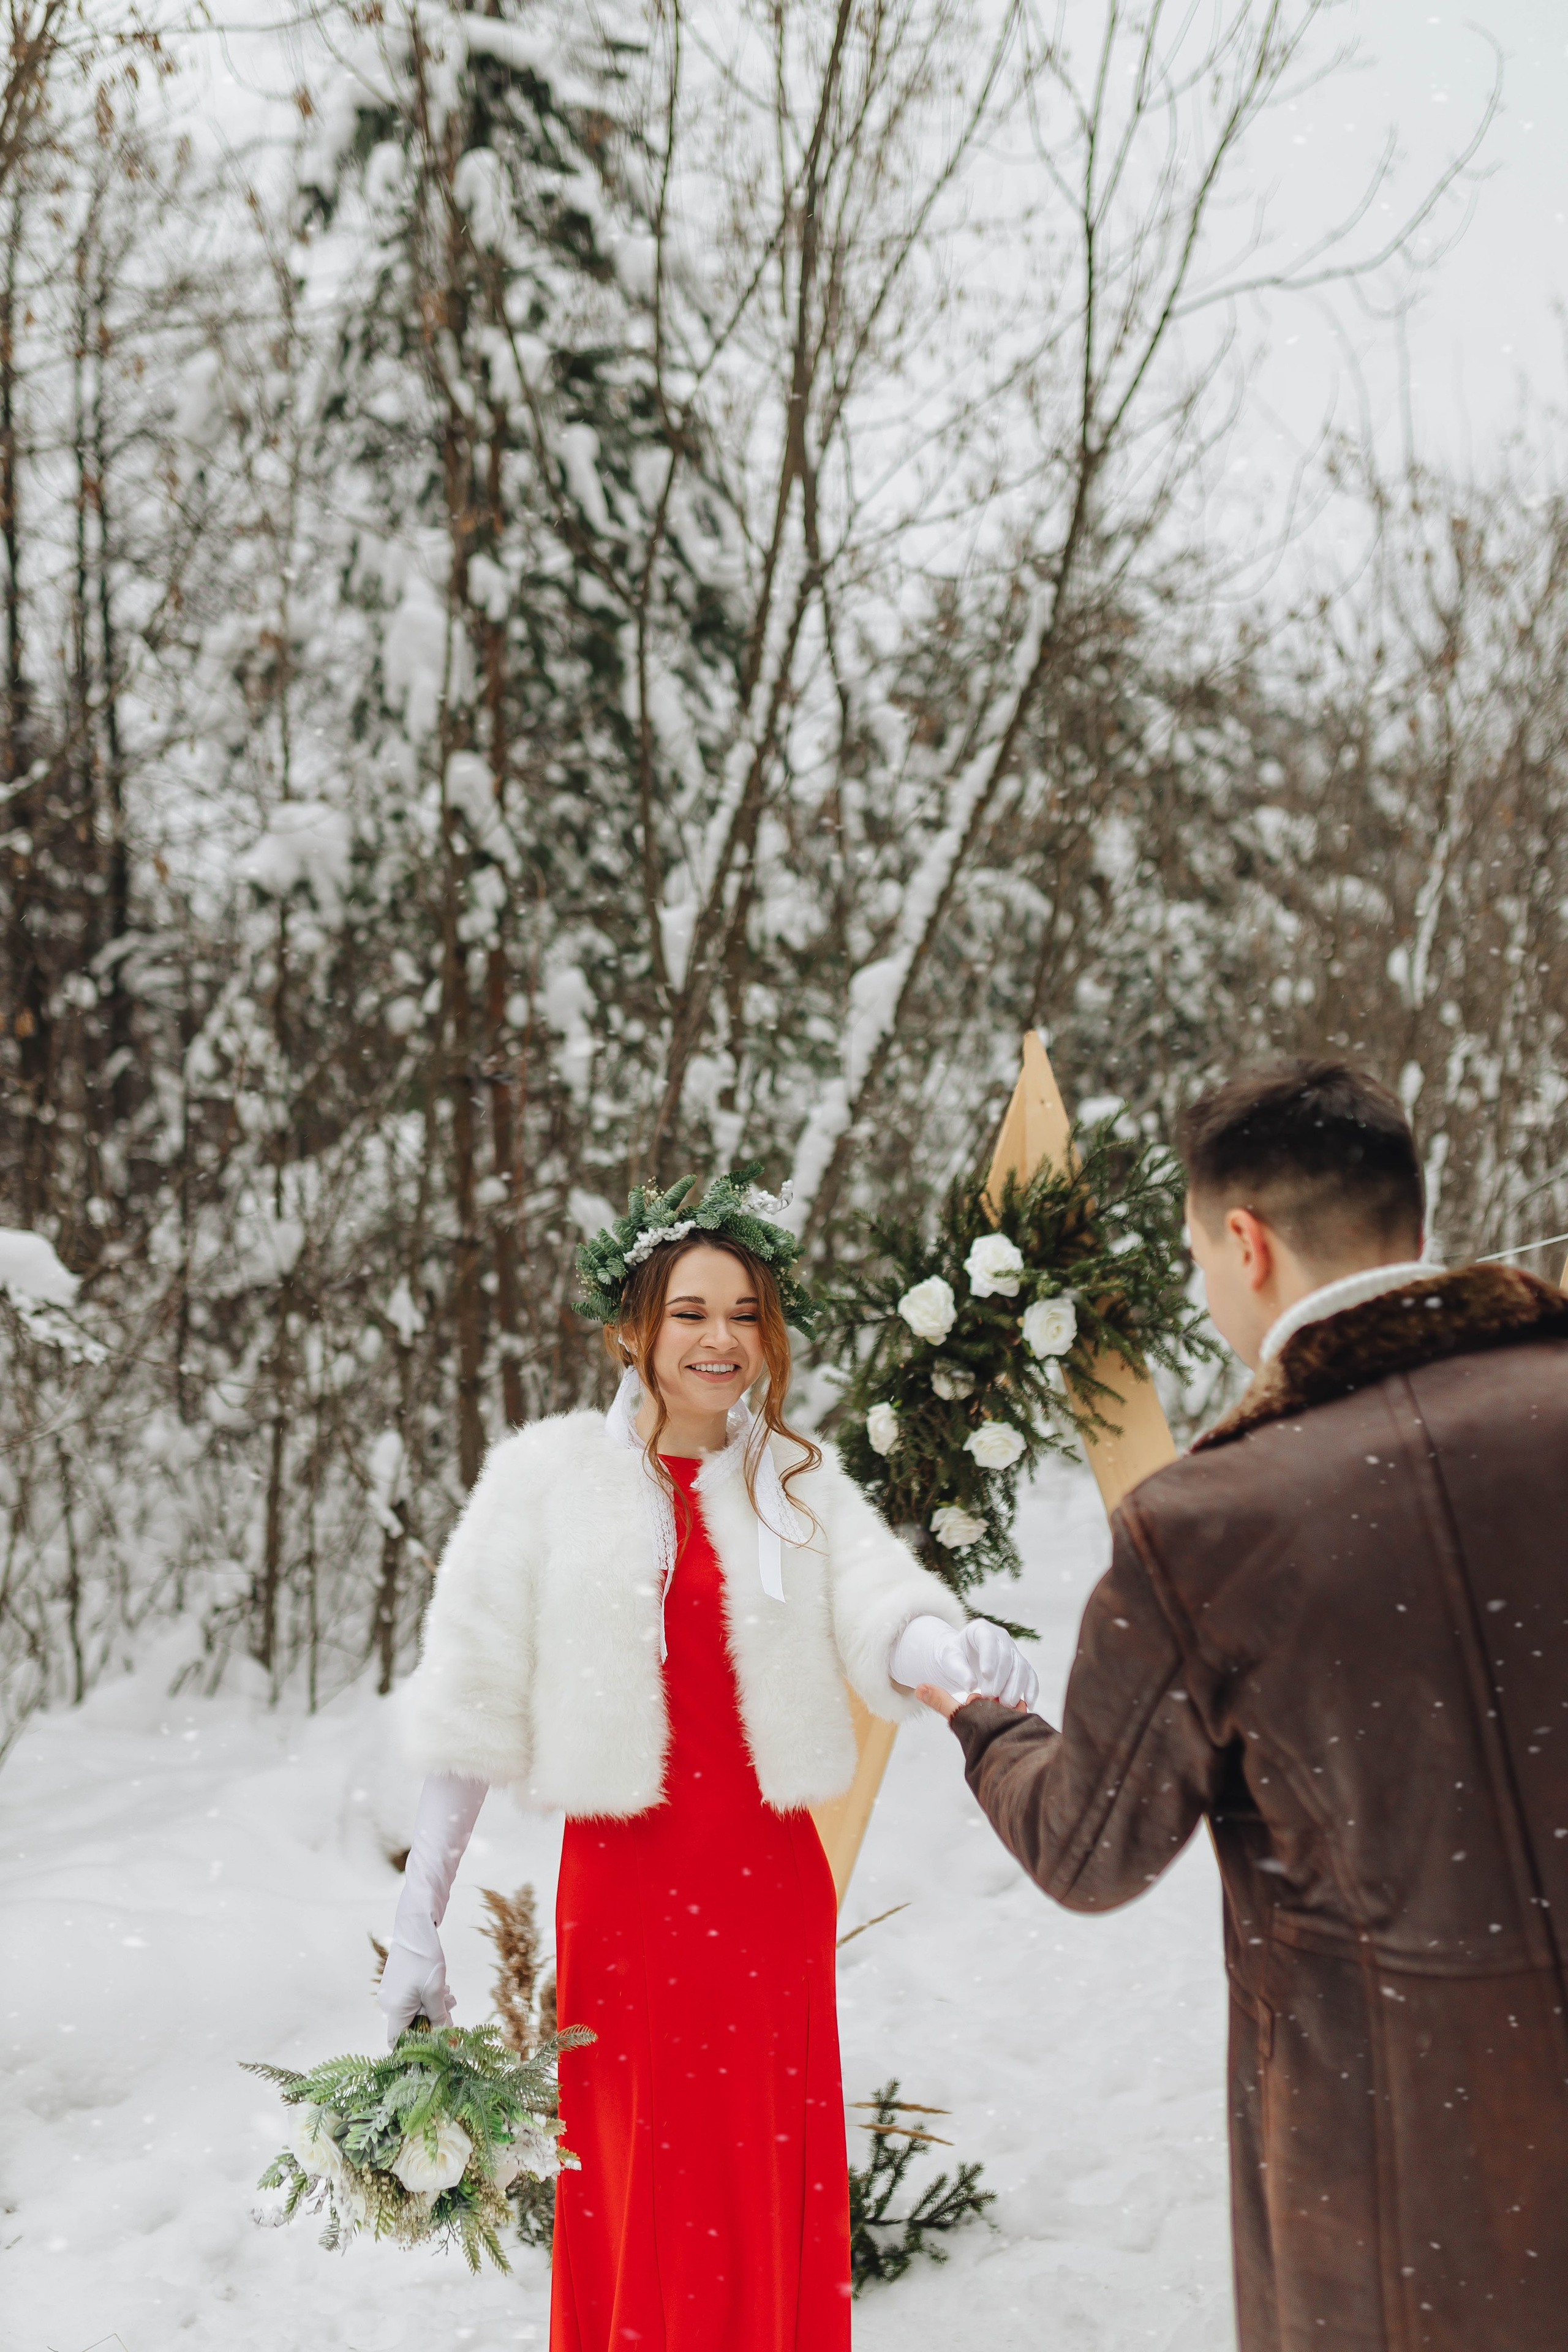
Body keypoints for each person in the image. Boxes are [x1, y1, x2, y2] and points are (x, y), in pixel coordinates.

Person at [920, 1060, 1568, 2352]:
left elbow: (1086, 1848)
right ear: (1410, 1218)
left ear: (1243, 1240)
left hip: (1398, 2193)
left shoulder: (1208, 1524)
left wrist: (975, 1714)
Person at [377, 1167, 1036, 2352]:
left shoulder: (793, 1481)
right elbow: (468, 1704)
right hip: (625, 1903)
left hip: (766, 1899)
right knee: (641, 2193)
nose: (720, 1338)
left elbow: (881, 1606)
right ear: (634, 1327)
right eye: (691, 1311)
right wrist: (419, 1920)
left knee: (754, 2185)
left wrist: (958, 1643)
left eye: (744, 1313)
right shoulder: (544, 1481)